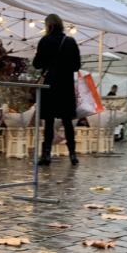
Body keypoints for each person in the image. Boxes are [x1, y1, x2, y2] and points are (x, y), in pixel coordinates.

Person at [33, 13, 81, 166]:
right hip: (65, 86)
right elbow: (76, 66)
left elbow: (37, 64)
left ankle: (46, 154)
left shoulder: (45, 41)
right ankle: (72, 154)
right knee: (67, 121)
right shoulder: (70, 42)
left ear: (49, 26)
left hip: (50, 86)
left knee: (49, 121)